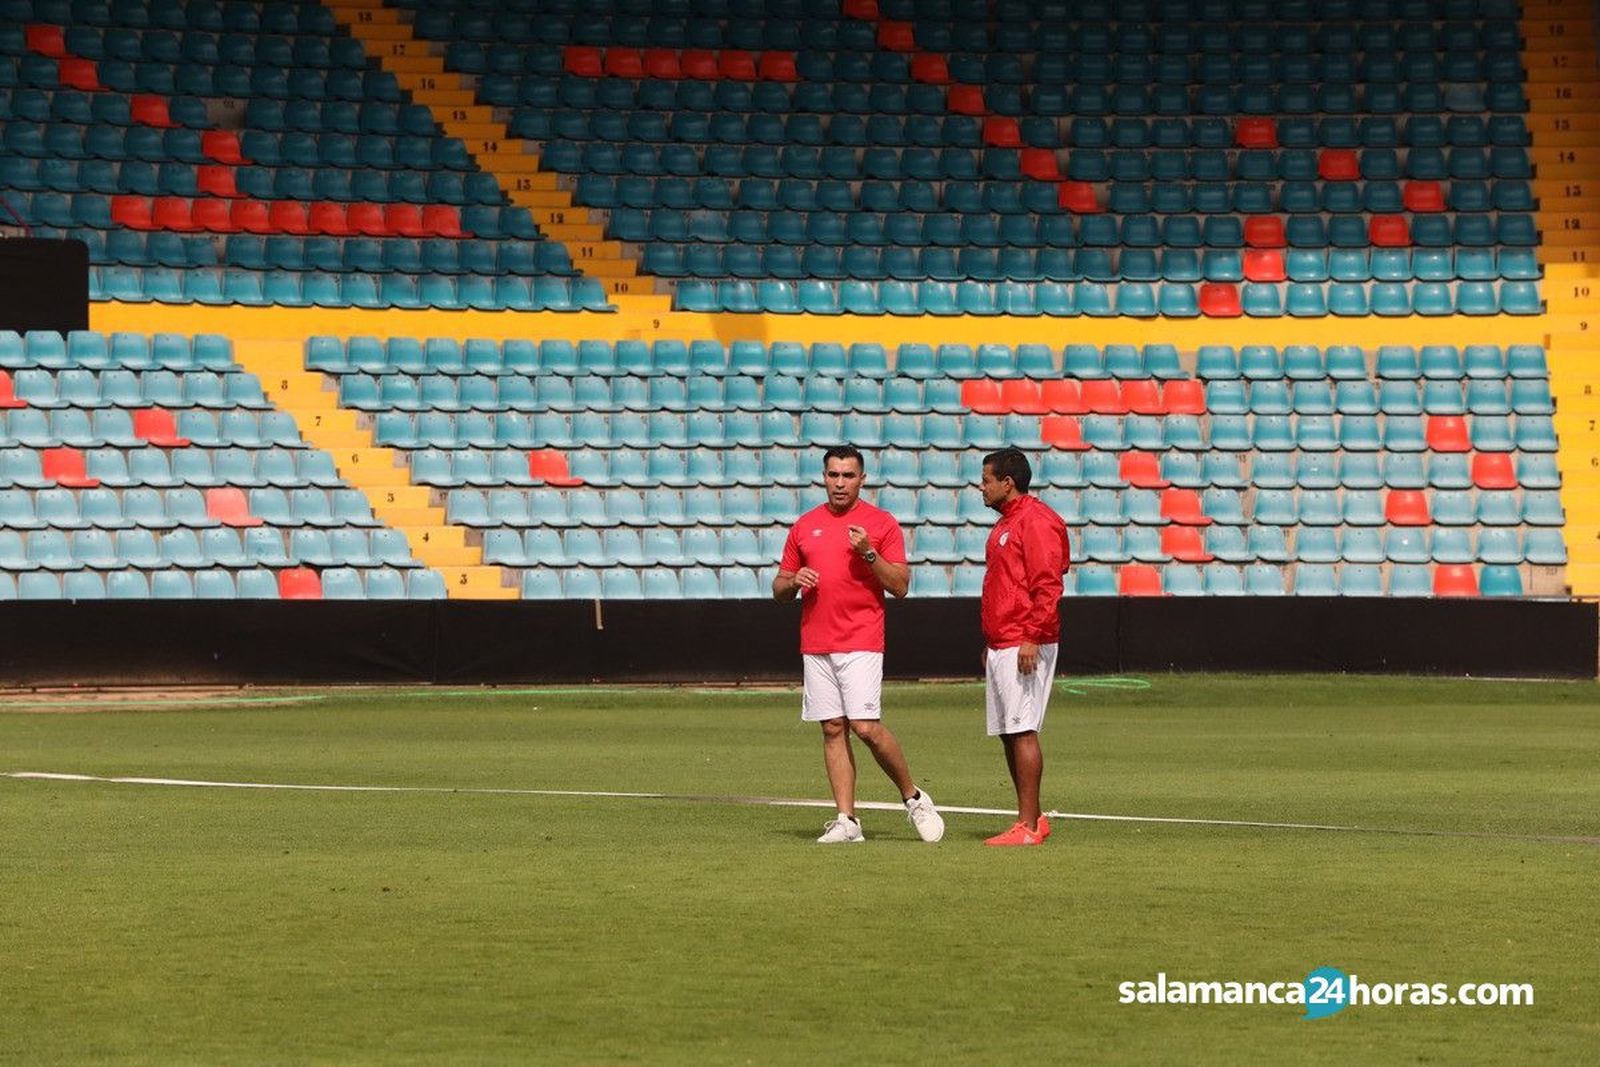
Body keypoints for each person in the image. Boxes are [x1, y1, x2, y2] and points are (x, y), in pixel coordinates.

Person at [773, 446, 944, 845]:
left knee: (865, 727)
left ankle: (914, 798)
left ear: (862, 480)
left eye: (848, 476)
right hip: (817, 641)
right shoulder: (805, 525)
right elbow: (779, 587)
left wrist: (868, 551)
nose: (839, 483)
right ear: (823, 477)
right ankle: (847, 821)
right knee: (833, 728)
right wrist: (793, 581)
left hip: (861, 639)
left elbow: (900, 586)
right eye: (833, 475)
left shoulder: (880, 524)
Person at [977, 447, 1071, 847]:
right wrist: (993, 641)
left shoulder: (1036, 521)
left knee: (1023, 730)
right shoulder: (1006, 523)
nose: (981, 487)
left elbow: (1048, 583)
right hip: (1004, 639)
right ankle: (1031, 818)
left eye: (986, 480)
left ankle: (1028, 827)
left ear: (1007, 483)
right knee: (1008, 732)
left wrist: (1032, 635)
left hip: (1024, 639)